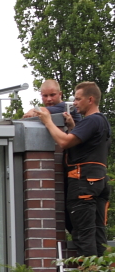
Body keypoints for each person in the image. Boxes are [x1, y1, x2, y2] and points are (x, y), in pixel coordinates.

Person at [36, 81, 111, 257]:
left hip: (83, 182)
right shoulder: (102, 121)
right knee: (98, 234)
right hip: (99, 181)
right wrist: (72, 127)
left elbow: (64, 142)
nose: (74, 103)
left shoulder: (91, 120)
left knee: (83, 235)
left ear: (90, 100)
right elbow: (86, 146)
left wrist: (48, 122)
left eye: (78, 99)